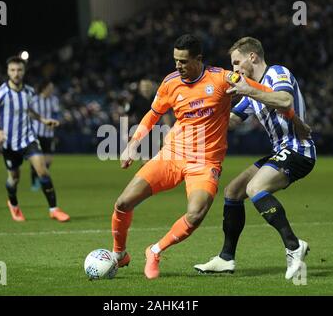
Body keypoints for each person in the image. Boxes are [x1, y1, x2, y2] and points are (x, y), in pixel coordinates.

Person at [110, 34, 273, 279]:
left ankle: (155, 250)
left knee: (196, 213)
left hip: (205, 163)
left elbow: (264, 91)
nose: (178, 66)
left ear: (198, 59)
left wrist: (288, 109)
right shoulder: (170, 82)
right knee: (123, 203)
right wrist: (134, 143)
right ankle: (119, 253)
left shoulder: (221, 79)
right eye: (176, 60)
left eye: (184, 61)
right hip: (172, 155)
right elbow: (153, 114)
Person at [194, 37, 316, 280]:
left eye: (237, 62)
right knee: (233, 191)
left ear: (253, 57)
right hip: (280, 150)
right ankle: (226, 258)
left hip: (298, 150)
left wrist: (249, 90)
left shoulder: (276, 73)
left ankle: (293, 246)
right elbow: (232, 120)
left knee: (255, 187)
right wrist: (203, 112)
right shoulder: (251, 90)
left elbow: (285, 100)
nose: (235, 69)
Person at [0, 56, 70, 222]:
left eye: (19, 70)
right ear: (8, 72)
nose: (16, 73)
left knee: (43, 170)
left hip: (28, 139)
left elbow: (29, 110)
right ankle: (13, 205)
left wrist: (43, 120)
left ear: (24, 71)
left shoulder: (29, 91)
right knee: (14, 179)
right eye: (13, 70)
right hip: (9, 143)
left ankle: (54, 209)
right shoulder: (1, 93)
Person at [29, 80, 61, 191]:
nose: (52, 90)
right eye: (50, 87)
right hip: (37, 133)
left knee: (49, 159)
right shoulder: (34, 100)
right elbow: (28, 113)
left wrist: (55, 122)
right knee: (36, 159)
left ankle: (41, 175)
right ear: (44, 88)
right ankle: (35, 182)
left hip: (49, 133)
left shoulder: (54, 100)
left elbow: (56, 113)